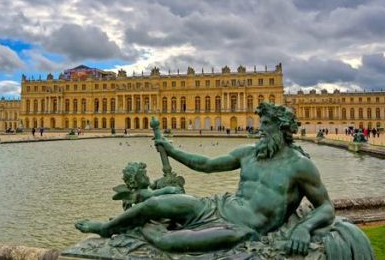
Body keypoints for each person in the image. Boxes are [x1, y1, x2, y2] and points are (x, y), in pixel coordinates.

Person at [76, 102, 335, 255]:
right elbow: (206, 164)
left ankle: (140, 230)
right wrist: (171, 148)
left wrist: (303, 227)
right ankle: (106, 228)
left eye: (266, 123)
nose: (260, 128)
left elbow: (326, 206)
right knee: (155, 205)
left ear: (282, 128)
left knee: (167, 242)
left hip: (242, 229)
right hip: (216, 207)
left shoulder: (301, 166)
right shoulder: (249, 154)